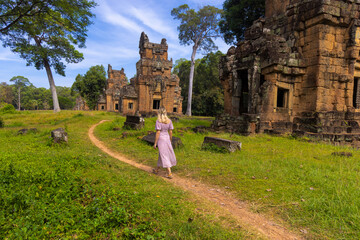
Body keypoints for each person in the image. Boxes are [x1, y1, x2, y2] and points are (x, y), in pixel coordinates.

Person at [153, 107, 176, 179]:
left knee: (164, 155)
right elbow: (171, 131)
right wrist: (170, 140)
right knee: (162, 154)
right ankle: (157, 169)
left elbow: (158, 132)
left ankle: (169, 173)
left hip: (161, 139)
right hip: (167, 138)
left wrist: (155, 143)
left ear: (159, 113)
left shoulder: (158, 121)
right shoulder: (169, 121)